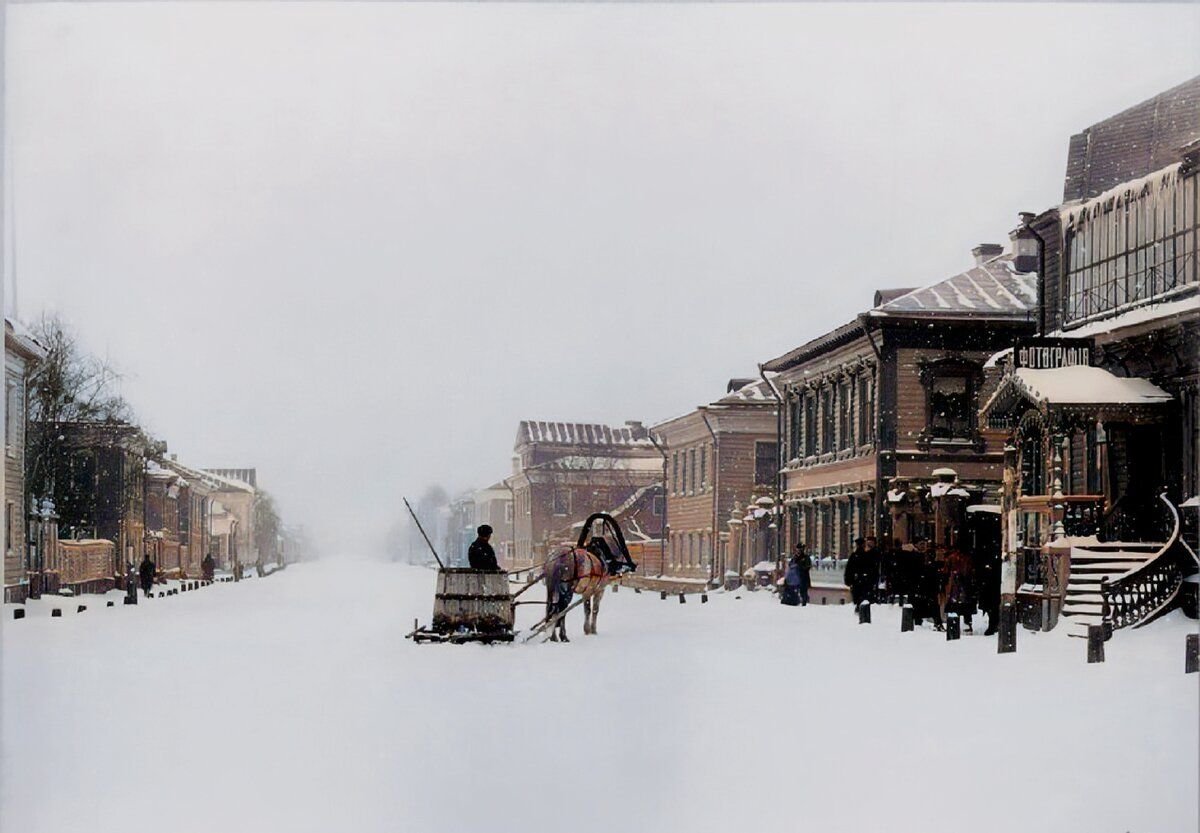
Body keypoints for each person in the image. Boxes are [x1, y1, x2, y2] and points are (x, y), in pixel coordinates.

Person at [843, 537, 879, 610]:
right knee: (865, 600)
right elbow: (873, 569)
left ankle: (859, 611)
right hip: (866, 582)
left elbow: (849, 570)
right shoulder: (867, 556)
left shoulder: (854, 556)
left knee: (858, 600)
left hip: (857, 582)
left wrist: (849, 581)